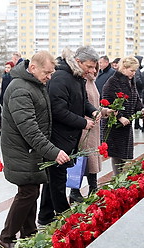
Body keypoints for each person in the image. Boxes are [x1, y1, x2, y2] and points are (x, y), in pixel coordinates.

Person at [0, 51, 70, 248]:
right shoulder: (20, 89)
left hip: (30, 150)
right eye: (46, 72)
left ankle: (29, 233)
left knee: (31, 190)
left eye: (51, 73)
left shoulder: (34, 84)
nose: (49, 77)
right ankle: (7, 237)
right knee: (28, 192)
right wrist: (53, 151)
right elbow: (30, 129)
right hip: (22, 149)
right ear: (33, 68)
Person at [38, 46, 100, 226]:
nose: (92, 71)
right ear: (78, 62)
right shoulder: (61, 77)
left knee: (53, 180)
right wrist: (83, 122)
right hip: (57, 137)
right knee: (57, 180)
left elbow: (81, 102)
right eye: (89, 66)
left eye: (94, 67)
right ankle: (65, 219)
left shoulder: (77, 77)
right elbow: (57, 110)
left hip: (68, 136)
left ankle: (45, 216)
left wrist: (93, 111)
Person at [69, 64, 112, 203]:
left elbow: (93, 105)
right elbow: (81, 104)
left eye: (96, 68)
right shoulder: (82, 82)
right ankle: (76, 190)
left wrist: (104, 111)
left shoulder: (91, 82)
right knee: (84, 158)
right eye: (92, 68)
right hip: (85, 126)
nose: (94, 71)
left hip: (93, 125)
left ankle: (92, 188)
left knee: (91, 157)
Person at [101, 56, 144, 176]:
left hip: (126, 124)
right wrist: (119, 117)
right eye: (132, 70)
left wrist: (141, 108)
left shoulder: (130, 81)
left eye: (135, 71)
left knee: (123, 154)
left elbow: (135, 97)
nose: (134, 73)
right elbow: (108, 102)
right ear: (124, 68)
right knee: (117, 154)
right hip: (115, 125)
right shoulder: (113, 82)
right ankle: (117, 179)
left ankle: (120, 178)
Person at [0, 61, 14, 136]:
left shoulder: (12, 77)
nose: (6, 69)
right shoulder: (4, 76)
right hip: (4, 98)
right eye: (5, 67)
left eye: (8, 67)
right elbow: (3, 89)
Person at [133, 55, 144, 130]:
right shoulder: (136, 70)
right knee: (137, 108)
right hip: (137, 91)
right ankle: (136, 124)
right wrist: (142, 85)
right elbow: (138, 80)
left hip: (138, 91)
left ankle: (137, 123)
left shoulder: (137, 70)